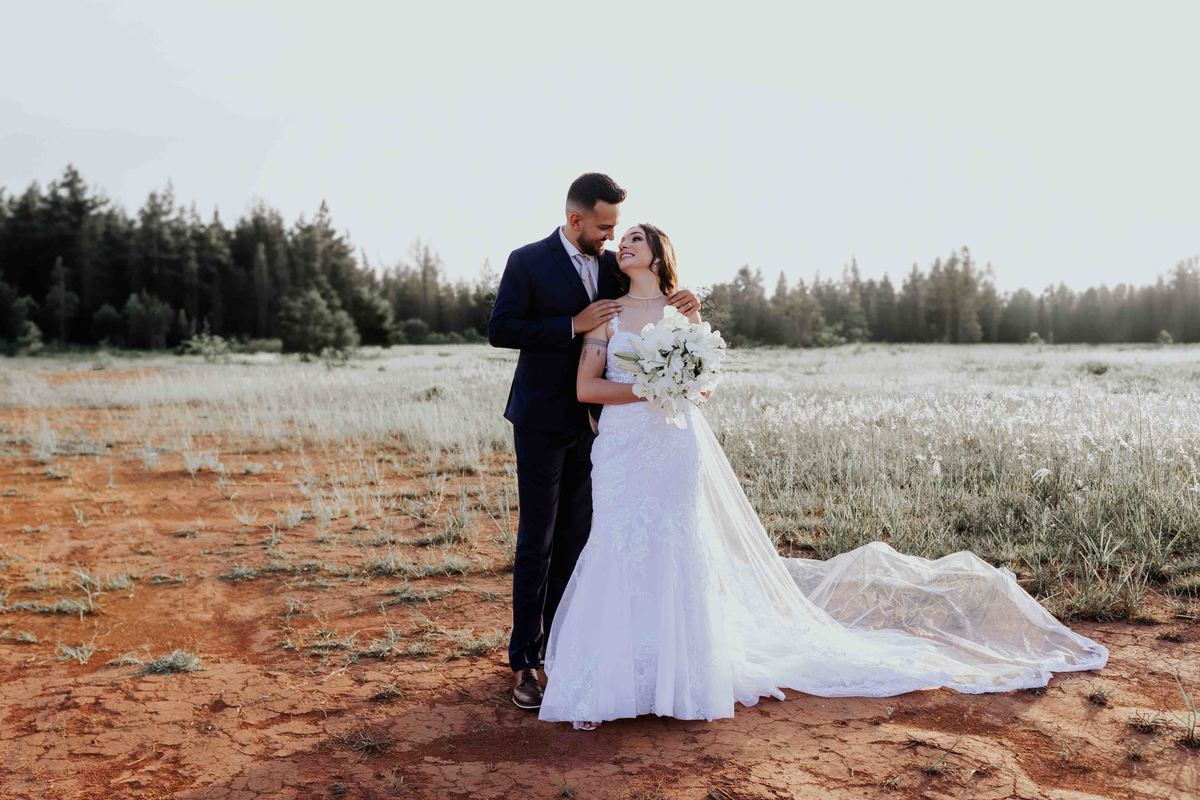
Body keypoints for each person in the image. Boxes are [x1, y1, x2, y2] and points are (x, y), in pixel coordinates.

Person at [538, 224, 1109, 731]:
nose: (624, 244)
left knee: (678, 543)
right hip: (624, 446)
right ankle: (618, 677)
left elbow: (705, 386)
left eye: (637, 238)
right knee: (620, 540)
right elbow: (588, 389)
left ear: (659, 256)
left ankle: (678, 678)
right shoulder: (607, 314)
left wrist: (676, 384)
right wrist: (652, 388)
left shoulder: (685, 314)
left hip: (675, 445)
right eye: (623, 240)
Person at [487, 175, 701, 710]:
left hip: (604, 429)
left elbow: (650, 299)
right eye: (604, 227)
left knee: (582, 540)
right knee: (537, 539)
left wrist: (689, 302)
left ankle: (567, 651)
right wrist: (570, 324)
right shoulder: (527, 260)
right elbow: (501, 328)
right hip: (541, 419)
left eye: (617, 229)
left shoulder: (611, 265)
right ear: (577, 219)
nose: (611, 237)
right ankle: (526, 662)